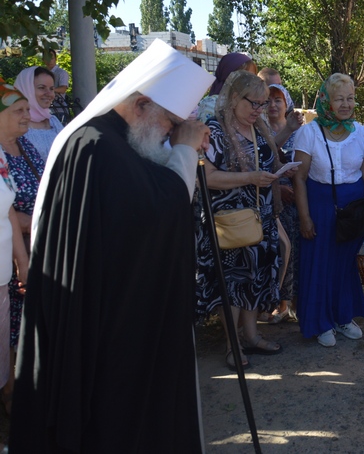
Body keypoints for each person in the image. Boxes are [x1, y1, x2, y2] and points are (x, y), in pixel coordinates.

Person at [11, 39, 214, 452]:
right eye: (170, 122)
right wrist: (183, 152)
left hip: (122, 314)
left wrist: (179, 149)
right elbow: (156, 211)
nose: (171, 132)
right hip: (101, 323)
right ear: (140, 105)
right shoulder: (96, 146)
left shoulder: (123, 142)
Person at [196, 71, 288, 369]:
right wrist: (250, 177)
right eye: (255, 103)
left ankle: (250, 335)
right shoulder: (214, 130)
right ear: (234, 98)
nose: (260, 110)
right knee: (232, 282)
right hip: (228, 221)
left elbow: (267, 160)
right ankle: (231, 345)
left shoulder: (258, 127)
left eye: (263, 104)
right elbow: (205, 178)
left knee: (256, 276)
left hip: (258, 216)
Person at [293, 73, 364, 347]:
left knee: (345, 266)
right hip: (320, 205)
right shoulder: (308, 132)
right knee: (320, 264)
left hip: (353, 209)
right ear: (326, 101)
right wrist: (305, 217)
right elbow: (299, 177)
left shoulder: (362, 132)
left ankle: (343, 317)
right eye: (339, 99)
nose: (346, 104)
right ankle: (320, 323)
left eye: (350, 98)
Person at [0, 82, 30, 434]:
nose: (26, 115)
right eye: (16, 110)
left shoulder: (3, 158)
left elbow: (7, 210)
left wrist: (21, 263)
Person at [263, 83, 304, 325]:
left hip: (298, 198)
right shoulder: (258, 130)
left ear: (286, 103)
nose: (273, 105)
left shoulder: (300, 132)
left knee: (299, 249)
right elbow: (261, 159)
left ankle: (297, 301)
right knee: (279, 252)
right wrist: (278, 188)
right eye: (267, 100)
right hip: (272, 201)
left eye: (278, 99)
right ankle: (280, 303)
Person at [15, 66, 64, 160]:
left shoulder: (53, 121)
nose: (49, 94)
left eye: (51, 89)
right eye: (42, 88)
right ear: (26, 88)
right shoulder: (12, 125)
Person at [195, 52, 258, 123]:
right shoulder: (212, 104)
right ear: (228, 75)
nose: (250, 81)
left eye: (253, 77)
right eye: (244, 76)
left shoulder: (254, 103)